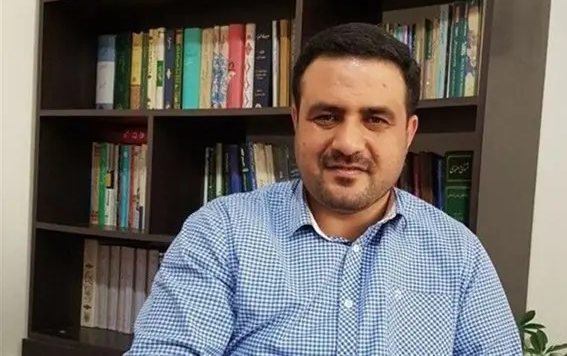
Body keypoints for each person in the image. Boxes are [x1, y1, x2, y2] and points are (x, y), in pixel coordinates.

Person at [124, 22, 522, 355]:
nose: (348, 143)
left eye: (375, 119)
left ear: (408, 132)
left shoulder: (458, 254)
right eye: (327, 116)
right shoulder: (220, 232)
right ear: (296, 121)